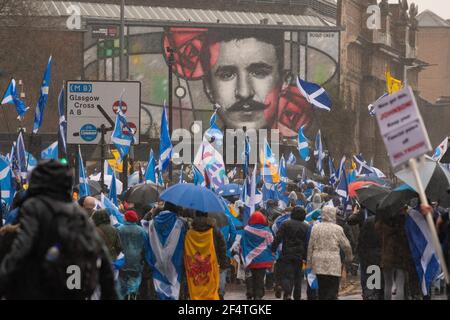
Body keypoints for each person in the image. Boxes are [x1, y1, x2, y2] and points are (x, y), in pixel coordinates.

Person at [0, 160, 117, 300]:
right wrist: (109, 294)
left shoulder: (33, 206)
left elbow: (21, 248)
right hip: (74, 289)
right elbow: (101, 254)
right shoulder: (76, 212)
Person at [198, 28, 312, 135]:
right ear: (208, 87)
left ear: (284, 81)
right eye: (227, 75)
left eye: (259, 73)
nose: (244, 93)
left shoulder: (306, 155)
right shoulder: (199, 155)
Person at [307, 206, 353, 300]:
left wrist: (309, 262)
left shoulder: (315, 228)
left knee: (322, 288)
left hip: (318, 262)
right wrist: (349, 257)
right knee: (332, 288)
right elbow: (346, 245)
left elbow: (310, 246)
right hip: (333, 263)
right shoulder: (338, 229)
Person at [145, 201, 187, 300]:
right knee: (174, 292)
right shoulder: (181, 223)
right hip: (175, 264)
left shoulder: (152, 223)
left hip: (157, 263)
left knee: (159, 293)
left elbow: (147, 243)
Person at [184, 211, 228, 300]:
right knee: (211, 291)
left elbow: (185, 251)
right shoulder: (214, 230)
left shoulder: (189, 233)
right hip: (211, 266)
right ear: (207, 216)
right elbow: (222, 247)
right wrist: (223, 263)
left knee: (196, 291)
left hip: (194, 269)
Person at [271, 206, 309, 300]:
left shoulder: (286, 224)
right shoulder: (306, 226)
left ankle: (287, 293)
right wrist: (306, 256)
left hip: (286, 254)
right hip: (299, 255)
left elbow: (278, 238)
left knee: (286, 275)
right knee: (298, 277)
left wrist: (273, 249)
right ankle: (297, 296)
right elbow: (307, 242)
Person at [347, 205, 383, 300]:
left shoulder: (366, 219)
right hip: (378, 252)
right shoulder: (382, 220)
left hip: (366, 252)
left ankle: (369, 294)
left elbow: (351, 222)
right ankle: (375, 294)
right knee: (376, 274)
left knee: (367, 274)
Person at [237, 211, 274, 300]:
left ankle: (250, 291)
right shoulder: (267, 231)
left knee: (250, 275)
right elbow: (271, 243)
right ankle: (258, 295)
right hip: (263, 259)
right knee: (260, 278)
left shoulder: (246, 230)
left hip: (250, 259)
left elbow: (242, 243)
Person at [118, 210, 147, 300]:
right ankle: (132, 293)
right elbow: (146, 246)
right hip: (137, 261)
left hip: (122, 261)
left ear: (126, 218)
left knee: (122, 282)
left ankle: (124, 295)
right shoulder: (142, 231)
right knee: (134, 279)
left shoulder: (119, 229)